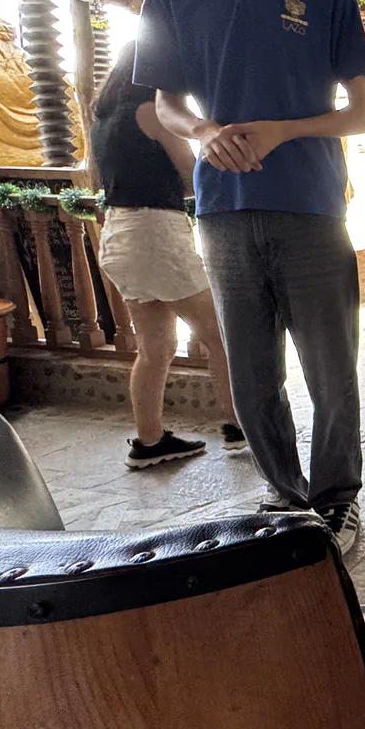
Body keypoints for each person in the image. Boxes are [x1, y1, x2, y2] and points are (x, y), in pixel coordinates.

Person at [133, 0, 365, 555]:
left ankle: (337, 497)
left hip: (310, 206)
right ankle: (285, 490)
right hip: (224, 211)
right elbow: (165, 104)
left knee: (331, 370)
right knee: (250, 373)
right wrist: (204, 133)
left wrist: (285, 129)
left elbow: (364, 113)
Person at [89, 44, 242, 470]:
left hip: (119, 233)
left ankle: (150, 440)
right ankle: (239, 426)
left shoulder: (103, 119)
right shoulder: (152, 111)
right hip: (155, 231)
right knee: (219, 333)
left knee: (155, 346)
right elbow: (190, 171)